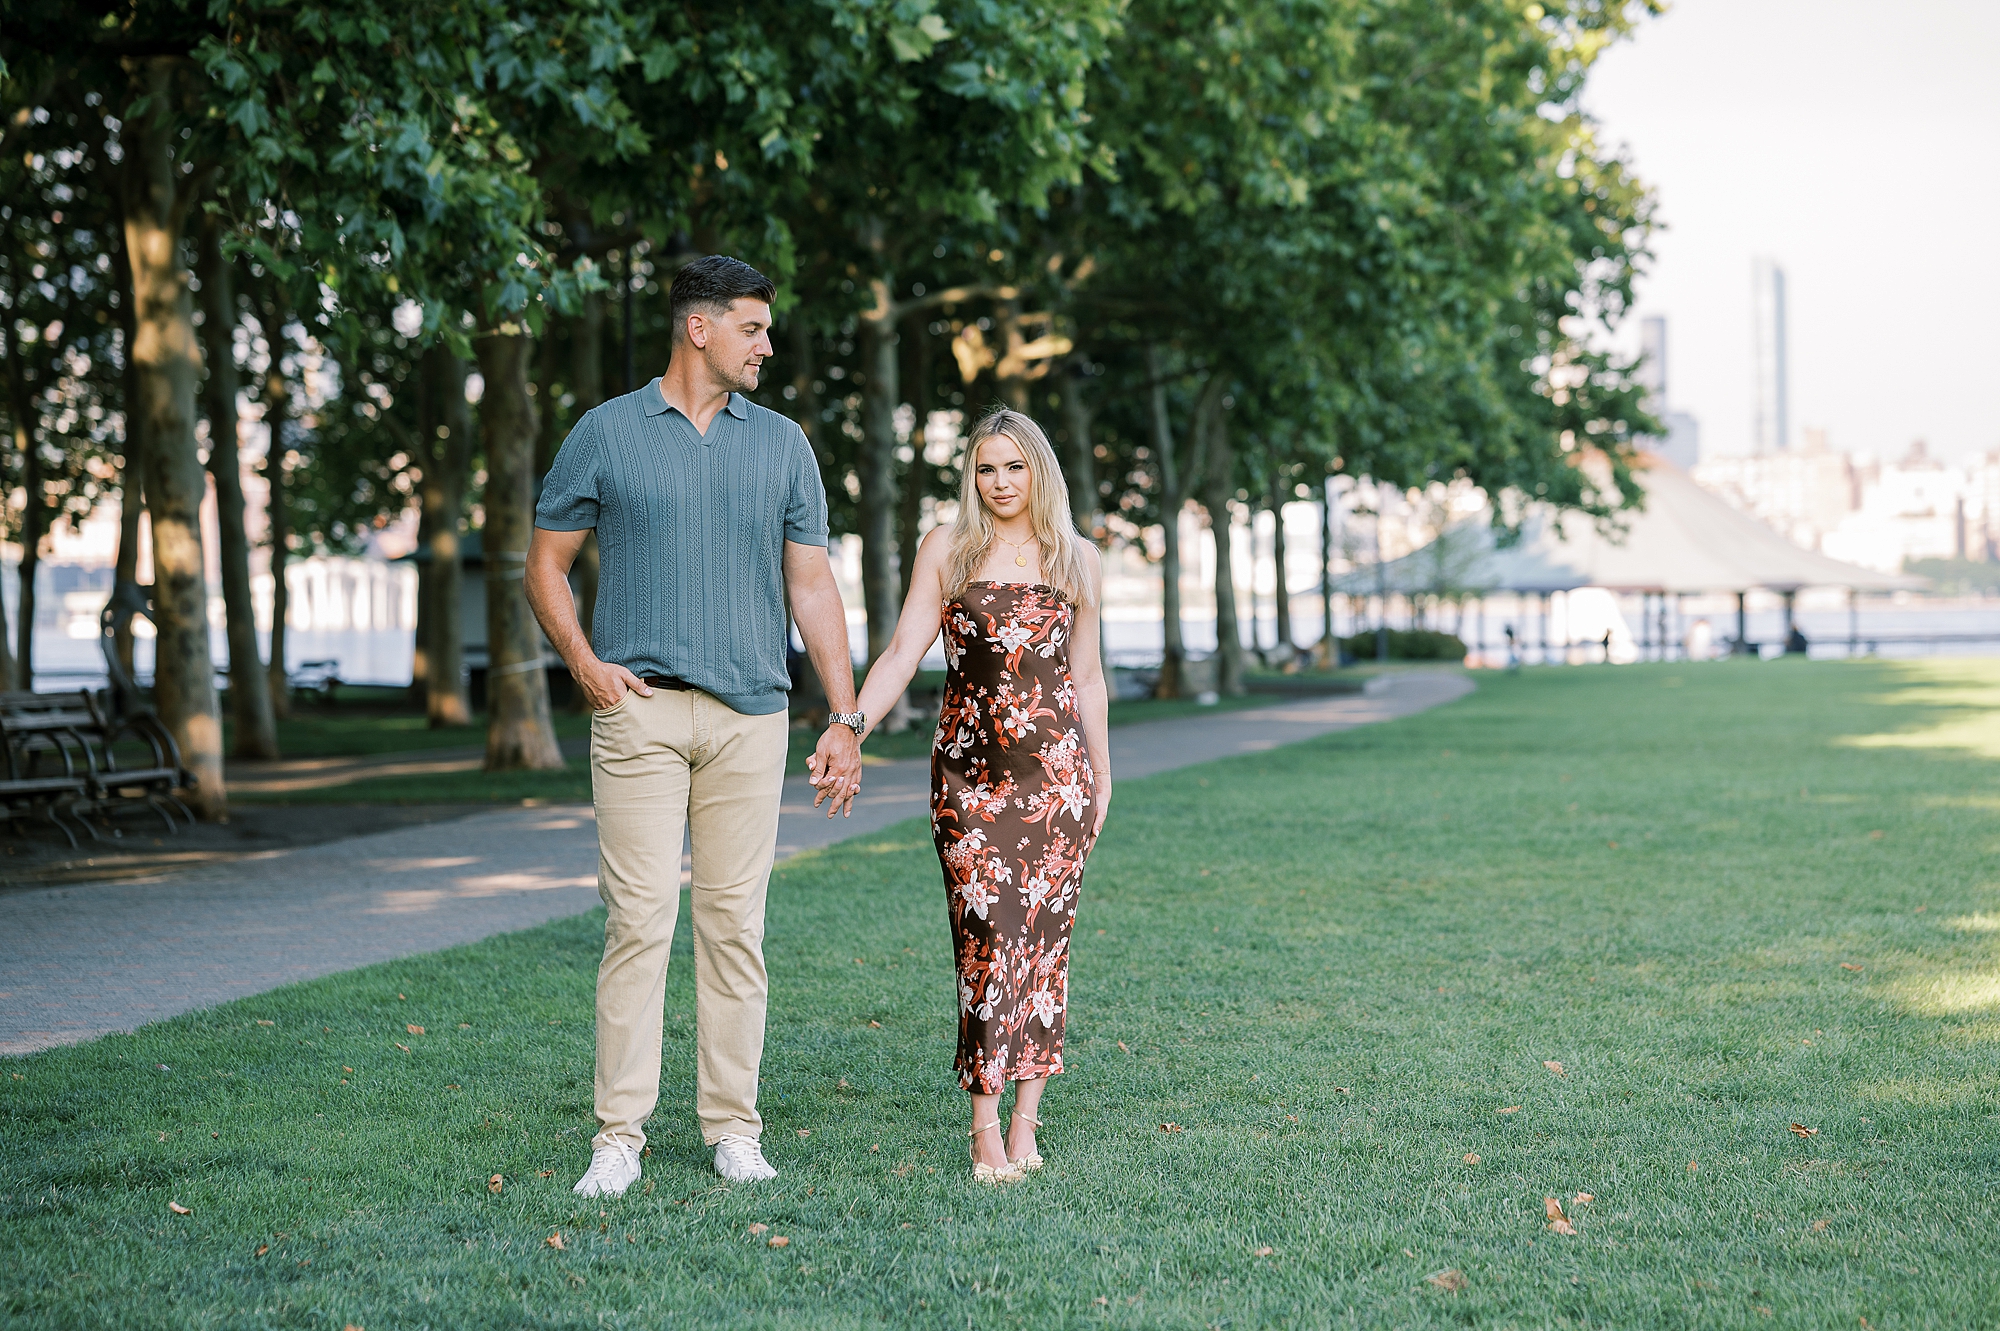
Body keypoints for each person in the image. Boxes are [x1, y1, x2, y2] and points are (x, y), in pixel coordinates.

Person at [524, 255, 866, 1198]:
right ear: (699, 328)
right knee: (638, 924)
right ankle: (618, 1137)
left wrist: (844, 713)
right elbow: (545, 563)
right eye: (753, 328)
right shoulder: (606, 433)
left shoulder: (785, 443)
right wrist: (587, 665)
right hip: (638, 715)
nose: (767, 344)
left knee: (734, 926)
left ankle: (733, 1129)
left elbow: (812, 585)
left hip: (753, 716)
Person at [852, 407, 1112, 1184]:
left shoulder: (1077, 558)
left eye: (1013, 466)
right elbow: (903, 650)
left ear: (1040, 471)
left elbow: (1089, 679)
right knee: (988, 941)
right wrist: (850, 724)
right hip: (969, 780)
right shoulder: (949, 548)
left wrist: (1102, 778)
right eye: (985, 468)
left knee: (1044, 947)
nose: (999, 482)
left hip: (1059, 780)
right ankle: (983, 1125)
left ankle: (1028, 1120)